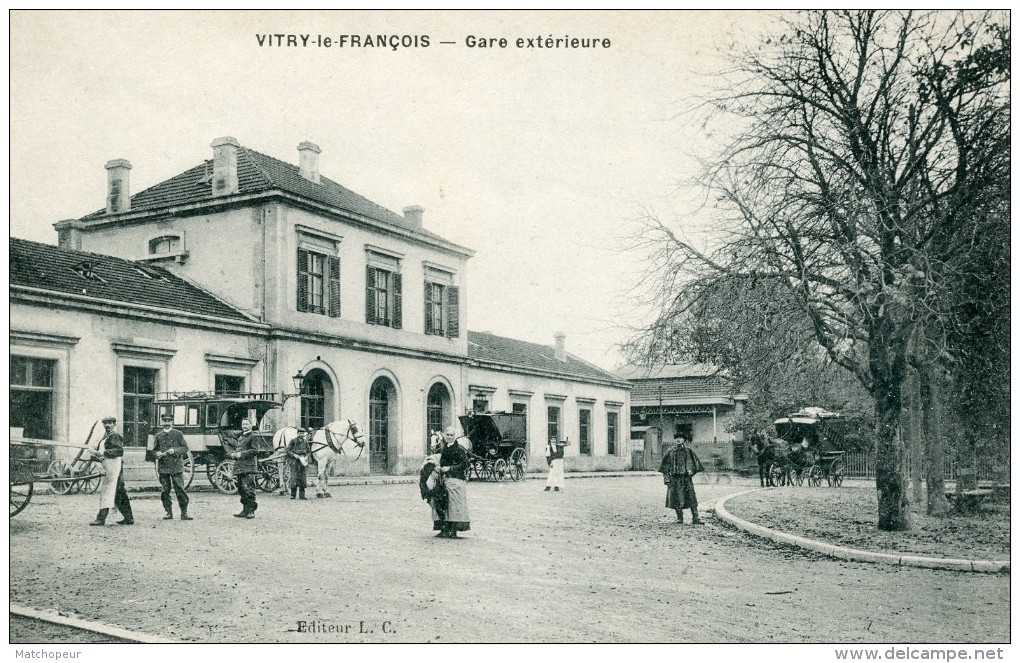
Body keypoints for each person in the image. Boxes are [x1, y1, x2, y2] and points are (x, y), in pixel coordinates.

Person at [88, 416, 134, 526]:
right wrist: (96, 454)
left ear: (114, 424)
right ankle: (129, 518)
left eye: (110, 423)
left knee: (107, 492)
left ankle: (101, 518)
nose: (107, 425)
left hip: (114, 469)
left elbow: (119, 451)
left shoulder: (115, 436)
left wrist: (103, 454)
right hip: (109, 468)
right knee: (119, 493)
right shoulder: (105, 437)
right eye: (105, 423)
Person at [154, 413, 192, 521]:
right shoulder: (158, 435)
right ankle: (168, 512)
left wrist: (174, 450)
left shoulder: (178, 434)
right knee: (165, 491)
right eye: (164, 421)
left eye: (169, 421)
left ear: (172, 422)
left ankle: (184, 513)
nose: (166, 423)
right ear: (162, 422)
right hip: (164, 467)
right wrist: (157, 454)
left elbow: (185, 448)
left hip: (176, 467)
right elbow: (153, 450)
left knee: (180, 490)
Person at [659, 434, 704, 524]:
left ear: (684, 439)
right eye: (676, 438)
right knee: (676, 498)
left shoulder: (688, 451)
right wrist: (667, 479)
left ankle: (695, 518)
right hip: (674, 479)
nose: (678, 440)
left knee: (691, 497)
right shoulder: (670, 452)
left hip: (686, 478)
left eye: (680, 438)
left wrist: (690, 473)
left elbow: (695, 464)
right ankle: (680, 518)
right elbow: (665, 467)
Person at [434, 426, 470, 538]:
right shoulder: (441, 449)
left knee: (454, 506)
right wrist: (437, 468)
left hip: (456, 480)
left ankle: (453, 530)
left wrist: (450, 468)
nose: (449, 437)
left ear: (455, 437)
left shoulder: (460, 450)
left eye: (451, 435)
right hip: (443, 479)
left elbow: (464, 464)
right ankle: (444, 529)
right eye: (447, 435)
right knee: (442, 503)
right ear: (444, 435)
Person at [230, 418, 260, 519]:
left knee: (249, 489)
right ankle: (244, 510)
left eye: (247, 424)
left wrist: (241, 454)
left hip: (248, 467)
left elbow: (255, 451)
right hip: (239, 467)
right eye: (243, 424)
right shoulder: (241, 436)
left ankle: (251, 511)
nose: (245, 426)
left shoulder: (253, 436)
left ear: (251, 425)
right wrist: (235, 454)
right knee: (241, 489)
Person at [286, 428, 311, 500]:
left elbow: (309, 451)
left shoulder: (305, 441)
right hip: (295, 461)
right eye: (300, 433)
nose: (301, 435)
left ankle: (302, 495)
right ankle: (293, 495)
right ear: (297, 433)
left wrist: (307, 456)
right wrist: (294, 455)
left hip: (303, 461)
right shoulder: (293, 441)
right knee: (294, 477)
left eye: (303, 433)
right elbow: (288, 450)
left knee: (303, 478)